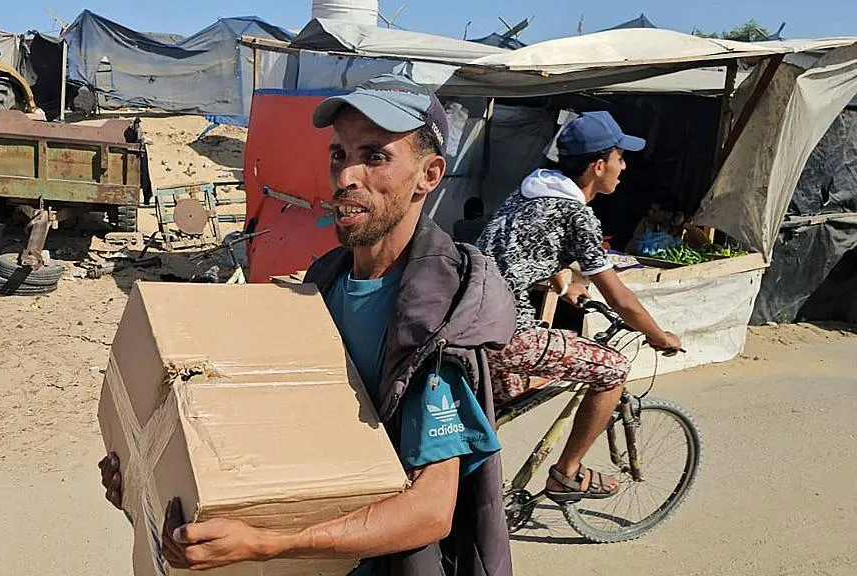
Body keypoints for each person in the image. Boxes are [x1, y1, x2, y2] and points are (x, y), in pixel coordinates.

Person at [100, 73, 518, 576]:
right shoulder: (322, 284)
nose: (345, 177)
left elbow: (430, 509)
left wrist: (270, 543)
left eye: (375, 157)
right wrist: (155, 476)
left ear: (429, 175)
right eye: (339, 154)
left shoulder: (433, 314)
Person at [477, 111, 682, 503]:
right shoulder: (576, 214)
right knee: (612, 369)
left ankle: (479, 484)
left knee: (500, 404)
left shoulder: (526, 192)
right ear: (598, 165)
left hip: (470, 324)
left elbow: (518, 253)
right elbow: (621, 298)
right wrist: (659, 336)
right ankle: (566, 474)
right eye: (621, 157)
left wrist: (563, 282)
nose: (624, 166)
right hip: (509, 333)